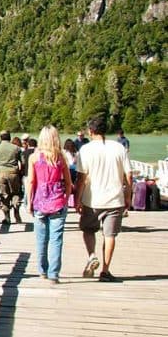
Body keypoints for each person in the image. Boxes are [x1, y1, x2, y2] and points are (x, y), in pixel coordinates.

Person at [75, 115, 133, 282]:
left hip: (91, 199)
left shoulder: (85, 150)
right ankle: (106, 271)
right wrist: (128, 196)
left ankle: (92, 255)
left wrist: (77, 199)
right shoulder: (119, 148)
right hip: (115, 198)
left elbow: (81, 178)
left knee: (88, 231)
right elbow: (128, 176)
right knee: (110, 235)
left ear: (90, 131)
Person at [27, 126, 73, 284]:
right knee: (56, 239)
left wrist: (29, 202)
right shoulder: (60, 157)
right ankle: (54, 273)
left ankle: (42, 270)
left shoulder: (34, 157)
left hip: (39, 201)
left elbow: (31, 181)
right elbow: (68, 182)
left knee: (41, 239)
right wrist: (65, 199)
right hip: (58, 201)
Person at [0, 130, 23, 225]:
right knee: (16, 193)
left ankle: (7, 217)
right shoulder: (16, 148)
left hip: (1, 173)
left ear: (0, 138)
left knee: (4, 195)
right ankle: (16, 207)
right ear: (9, 137)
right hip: (14, 173)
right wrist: (20, 172)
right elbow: (23, 162)